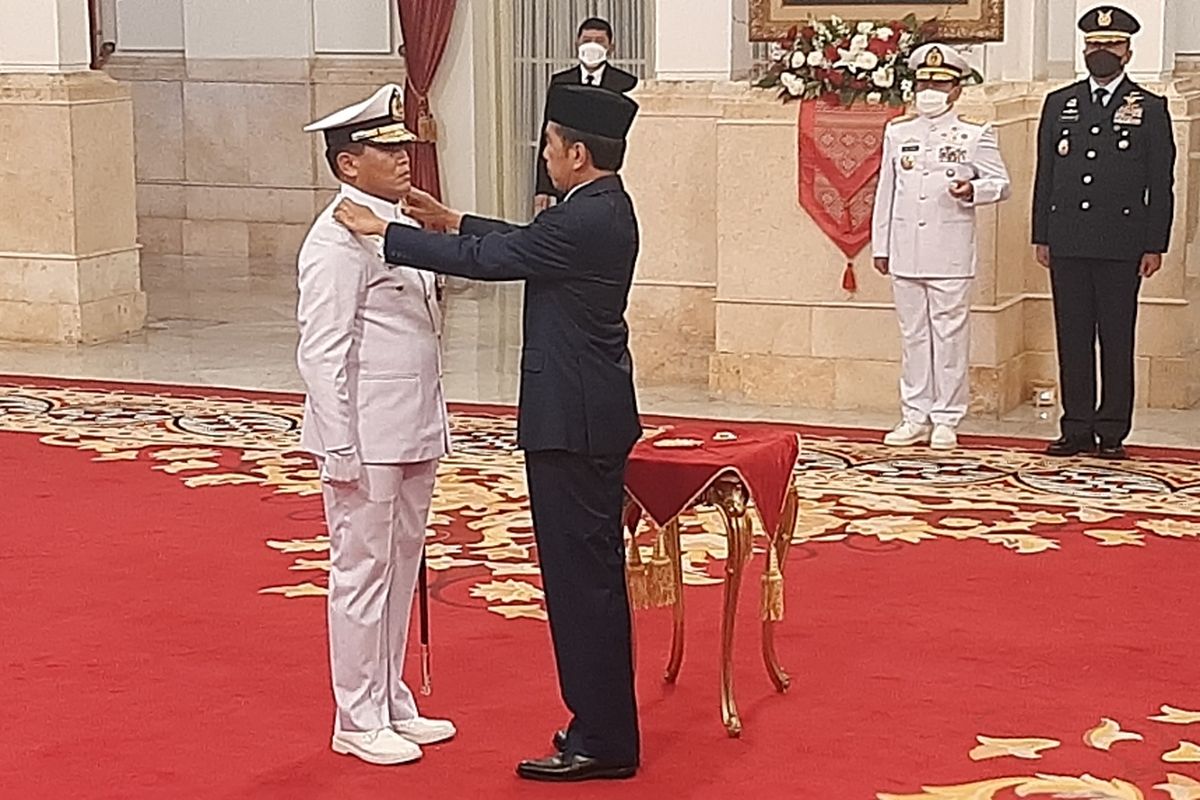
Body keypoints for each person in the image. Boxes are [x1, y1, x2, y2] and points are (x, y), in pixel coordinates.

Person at [333, 84, 642, 783]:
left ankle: (603, 738)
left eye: (550, 146)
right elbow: (523, 241)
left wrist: (387, 234)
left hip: (575, 424)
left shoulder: (586, 220)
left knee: (580, 587)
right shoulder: (598, 208)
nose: (546, 157)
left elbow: (496, 261)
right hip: (587, 417)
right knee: (587, 583)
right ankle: (602, 725)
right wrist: (454, 218)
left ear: (577, 154)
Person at [297, 84, 455, 766]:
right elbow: (321, 349)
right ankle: (355, 716)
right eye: (384, 150)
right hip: (364, 434)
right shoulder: (334, 241)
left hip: (413, 423)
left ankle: (390, 696)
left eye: (402, 146)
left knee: (402, 564)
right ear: (347, 165)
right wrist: (337, 443)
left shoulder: (400, 225)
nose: (402, 158)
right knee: (361, 571)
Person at [1032, 6, 1176, 460]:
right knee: (1072, 335)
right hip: (1069, 238)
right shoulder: (1061, 103)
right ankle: (1076, 427)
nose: (1102, 53)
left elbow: (1161, 182)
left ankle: (1112, 429)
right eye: (1095, 45)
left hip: (1122, 242)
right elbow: (1046, 173)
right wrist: (1043, 234)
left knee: (1116, 336)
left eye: (1111, 46)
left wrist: (1155, 243)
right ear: (1084, 49)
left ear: (1128, 52)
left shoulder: (1150, 108)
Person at [871, 43, 1012, 451]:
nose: (929, 90)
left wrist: (973, 189)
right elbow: (886, 192)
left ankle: (947, 416)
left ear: (956, 89)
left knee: (949, 337)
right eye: (924, 82)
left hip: (949, 250)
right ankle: (914, 414)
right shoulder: (899, 132)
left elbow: (1000, 183)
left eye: (940, 83)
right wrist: (882, 244)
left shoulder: (974, 134)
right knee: (912, 335)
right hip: (904, 248)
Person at [533, 17, 638, 214]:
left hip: (604, 176)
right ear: (577, 43)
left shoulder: (626, 83)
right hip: (568, 171)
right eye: (587, 40)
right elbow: (548, 136)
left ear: (611, 47)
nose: (592, 46)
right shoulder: (561, 82)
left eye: (599, 41)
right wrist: (543, 188)